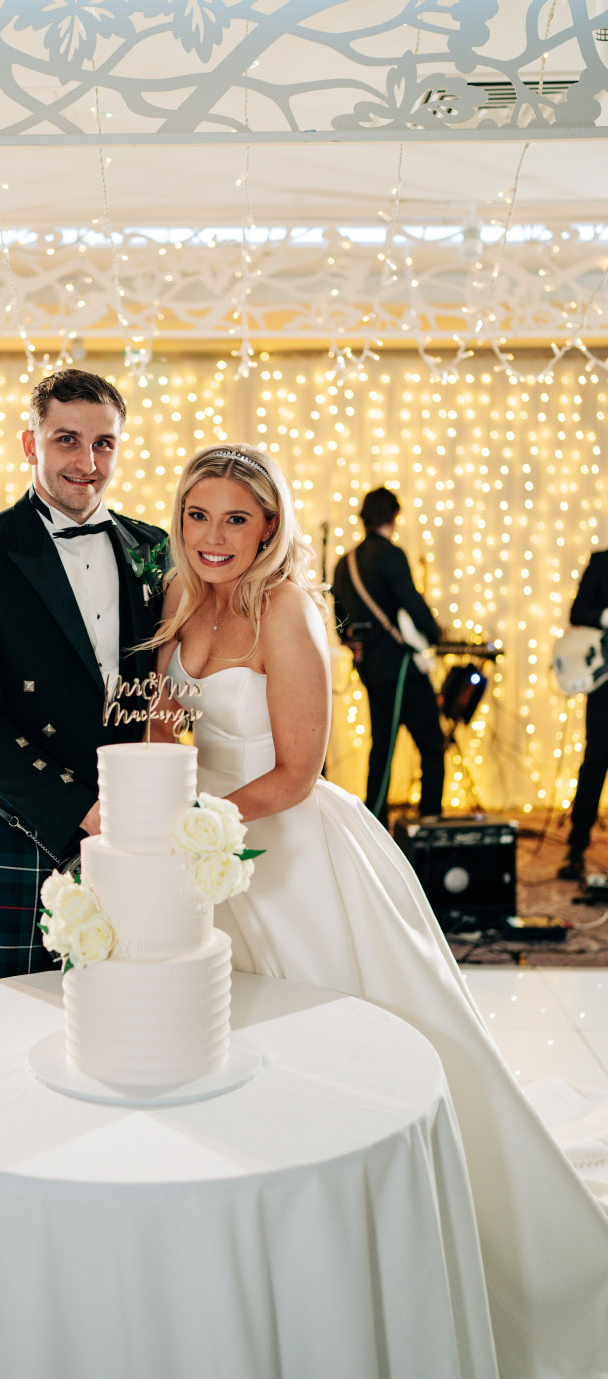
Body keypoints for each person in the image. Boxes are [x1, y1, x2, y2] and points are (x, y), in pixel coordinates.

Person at [148, 443, 608, 1379]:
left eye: (236, 517)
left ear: (268, 525)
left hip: (292, 857)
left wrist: (199, 820)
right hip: (206, 859)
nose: (214, 535)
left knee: (348, 1059)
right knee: (230, 1062)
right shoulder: (180, 601)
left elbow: (295, 770)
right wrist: (152, 808)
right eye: (199, 515)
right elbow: (164, 726)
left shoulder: (287, 609)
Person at [0, 368, 167, 998]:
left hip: (124, 816)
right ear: (30, 444)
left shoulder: (156, 549)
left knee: (114, 1009)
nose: (87, 462)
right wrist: (87, 812)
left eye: (104, 443)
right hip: (10, 815)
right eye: (66, 440)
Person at [332, 486, 446, 824]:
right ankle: (429, 824)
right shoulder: (391, 554)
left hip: (370, 669)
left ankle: (375, 825)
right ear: (394, 517)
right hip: (402, 669)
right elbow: (413, 604)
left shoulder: (343, 563)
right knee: (432, 745)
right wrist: (436, 635)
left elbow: (340, 625)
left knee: (381, 748)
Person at [558, 548, 608, 880]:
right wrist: (604, 617)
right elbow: (577, 612)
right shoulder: (601, 562)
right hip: (604, 683)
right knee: (595, 761)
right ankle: (576, 847)